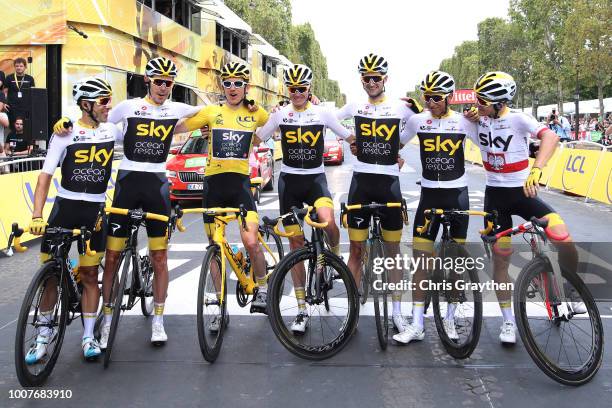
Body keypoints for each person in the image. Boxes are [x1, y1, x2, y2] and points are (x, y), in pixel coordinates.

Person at [54, 56, 200, 347]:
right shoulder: (129, 106)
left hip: (157, 186)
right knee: (111, 258)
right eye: (158, 81)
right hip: (127, 184)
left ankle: (158, 321)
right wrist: (66, 120)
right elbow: (95, 113)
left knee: (159, 257)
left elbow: (210, 111)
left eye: (169, 83)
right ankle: (106, 323)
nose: (163, 87)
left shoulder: (176, 109)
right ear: (147, 80)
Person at [470, 71, 581, 345]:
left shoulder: (518, 118)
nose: (477, 104)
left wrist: (537, 170)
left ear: (500, 102)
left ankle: (569, 288)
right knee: (501, 257)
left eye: (482, 100)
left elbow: (551, 138)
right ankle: (509, 322)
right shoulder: (475, 117)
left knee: (563, 237)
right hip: (495, 197)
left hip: (523, 192)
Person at [25, 77, 118, 362]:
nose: (108, 107)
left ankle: (89, 336)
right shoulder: (65, 133)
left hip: (94, 212)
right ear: (86, 104)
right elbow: (45, 176)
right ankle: (42, 336)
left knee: (90, 275)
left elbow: (150, 130)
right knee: (50, 277)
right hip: (64, 208)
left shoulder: (112, 129)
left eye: (109, 100)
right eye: (103, 101)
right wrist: (37, 215)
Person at [256, 64, 354, 332]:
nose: (297, 93)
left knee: (328, 222)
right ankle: (301, 311)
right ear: (287, 89)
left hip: (315, 181)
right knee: (296, 246)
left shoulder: (322, 113)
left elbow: (350, 137)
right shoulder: (280, 115)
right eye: (292, 89)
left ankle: (335, 257)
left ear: (309, 89)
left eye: (302, 88)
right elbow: (255, 139)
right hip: (289, 183)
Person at [174, 62, 271, 316]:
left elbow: (275, 123)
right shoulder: (211, 111)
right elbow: (180, 128)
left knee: (250, 240)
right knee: (215, 246)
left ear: (246, 87)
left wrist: (255, 133)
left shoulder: (254, 113)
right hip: (213, 184)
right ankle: (219, 306)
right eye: (227, 83)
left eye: (238, 83)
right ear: (222, 86)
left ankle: (262, 287)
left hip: (240, 184)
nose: (232, 88)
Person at [335, 53, 421, 334]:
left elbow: (429, 122)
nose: (371, 82)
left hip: (389, 184)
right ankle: (351, 308)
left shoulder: (401, 108)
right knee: (357, 249)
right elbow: (324, 119)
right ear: (361, 79)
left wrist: (399, 148)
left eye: (376, 78)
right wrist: (350, 139)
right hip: (361, 182)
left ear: (385, 79)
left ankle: (396, 311)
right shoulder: (355, 105)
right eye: (366, 78)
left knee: (393, 252)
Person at [392, 71, 479, 344]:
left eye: (436, 98)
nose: (431, 102)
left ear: (449, 98)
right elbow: (395, 142)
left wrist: (483, 116)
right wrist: (392, 155)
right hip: (429, 197)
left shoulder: (465, 122)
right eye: (426, 97)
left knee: (454, 264)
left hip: (457, 197)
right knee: (421, 261)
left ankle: (450, 318)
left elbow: (491, 144)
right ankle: (417, 324)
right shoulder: (419, 120)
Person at [3, 58, 35, 129]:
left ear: (25, 67)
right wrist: (4, 103)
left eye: (21, 66)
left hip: (26, 108)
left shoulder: (30, 79)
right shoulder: (9, 78)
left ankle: (25, 140)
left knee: (26, 127)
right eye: (17, 66)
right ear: (14, 67)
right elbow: (5, 92)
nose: (19, 68)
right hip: (12, 108)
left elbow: (33, 93)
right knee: (13, 127)